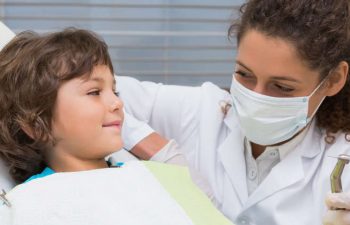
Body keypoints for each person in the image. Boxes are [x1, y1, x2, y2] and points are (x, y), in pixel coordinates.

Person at [115, 0, 350, 224]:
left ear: (333, 80)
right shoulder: (202, 111)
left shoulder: (343, 163)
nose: (258, 95)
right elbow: (89, 89)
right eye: (244, 74)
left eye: (282, 87)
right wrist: (158, 149)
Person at [0, 28, 233, 225]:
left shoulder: (159, 176)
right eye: (94, 92)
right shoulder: (28, 203)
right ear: (36, 125)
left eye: (115, 91)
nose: (117, 103)